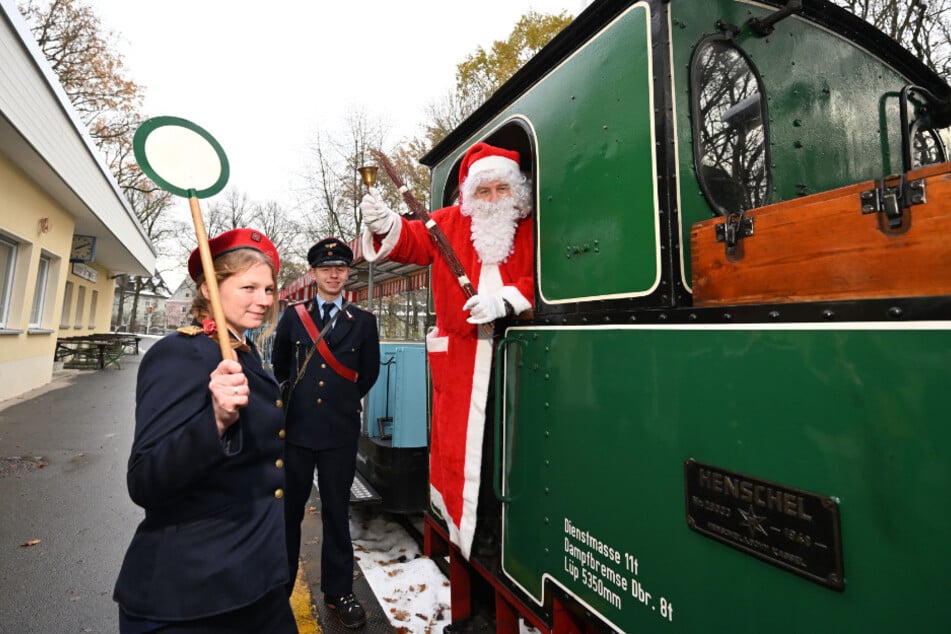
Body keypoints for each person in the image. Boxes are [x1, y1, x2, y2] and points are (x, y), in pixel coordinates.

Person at [113, 228, 297, 633]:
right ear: (208, 288)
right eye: (248, 286)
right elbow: (145, 480)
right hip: (192, 596)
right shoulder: (180, 354)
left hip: (256, 583)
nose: (264, 300)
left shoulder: (241, 355)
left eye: (268, 288)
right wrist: (214, 421)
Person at [359, 142, 534, 559]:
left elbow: (541, 278)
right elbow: (412, 241)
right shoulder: (448, 223)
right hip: (461, 361)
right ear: (469, 195)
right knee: (461, 456)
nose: (492, 199)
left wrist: (507, 300)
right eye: (484, 191)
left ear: (517, 192)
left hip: (515, 364)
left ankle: (498, 535)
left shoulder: (531, 227)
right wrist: (387, 223)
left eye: (501, 190)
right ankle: (470, 538)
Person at [271, 237, 380, 630]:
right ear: (314, 274)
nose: (334, 274)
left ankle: (339, 592)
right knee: (288, 513)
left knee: (337, 513)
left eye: (341, 268)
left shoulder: (363, 322)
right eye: (326, 268)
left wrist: (339, 401)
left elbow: (368, 373)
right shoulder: (293, 317)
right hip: (297, 432)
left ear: (348, 273)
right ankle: (279, 586)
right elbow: (280, 365)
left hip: (339, 432)